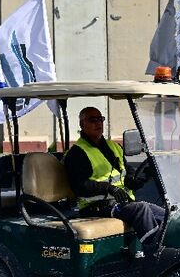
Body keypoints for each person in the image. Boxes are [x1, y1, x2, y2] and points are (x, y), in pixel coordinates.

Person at [63, 106, 165, 256]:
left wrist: (143, 178)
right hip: (95, 207)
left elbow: (127, 177)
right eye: (93, 120)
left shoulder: (113, 146)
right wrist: (109, 188)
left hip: (120, 204)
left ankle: (169, 250)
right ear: (82, 124)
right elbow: (80, 186)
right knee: (141, 209)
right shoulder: (77, 153)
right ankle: (154, 254)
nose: (98, 123)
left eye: (100, 119)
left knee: (165, 214)